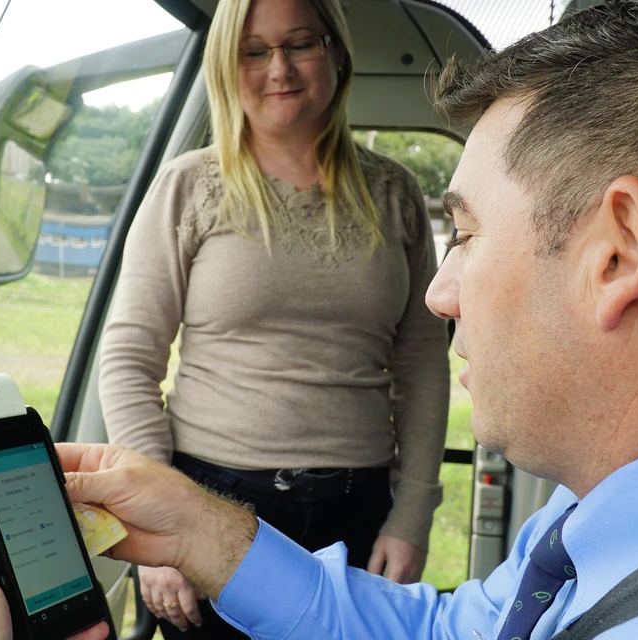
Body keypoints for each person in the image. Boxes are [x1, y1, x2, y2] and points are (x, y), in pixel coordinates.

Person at [0, 1, 638, 638]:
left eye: (467, 233)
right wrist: (206, 531)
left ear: (617, 253)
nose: (441, 294)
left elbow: (416, 362)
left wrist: (404, 514)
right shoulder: (586, 521)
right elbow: (441, 633)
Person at [96, 0, 448, 635]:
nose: (279, 68)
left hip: (358, 512)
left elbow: (423, 367)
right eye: (254, 52)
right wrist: (155, 519)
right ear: (226, 68)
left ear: (336, 52)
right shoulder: (187, 186)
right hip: (211, 504)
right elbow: (128, 360)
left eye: (300, 44)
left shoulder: (395, 194)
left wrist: (412, 516)